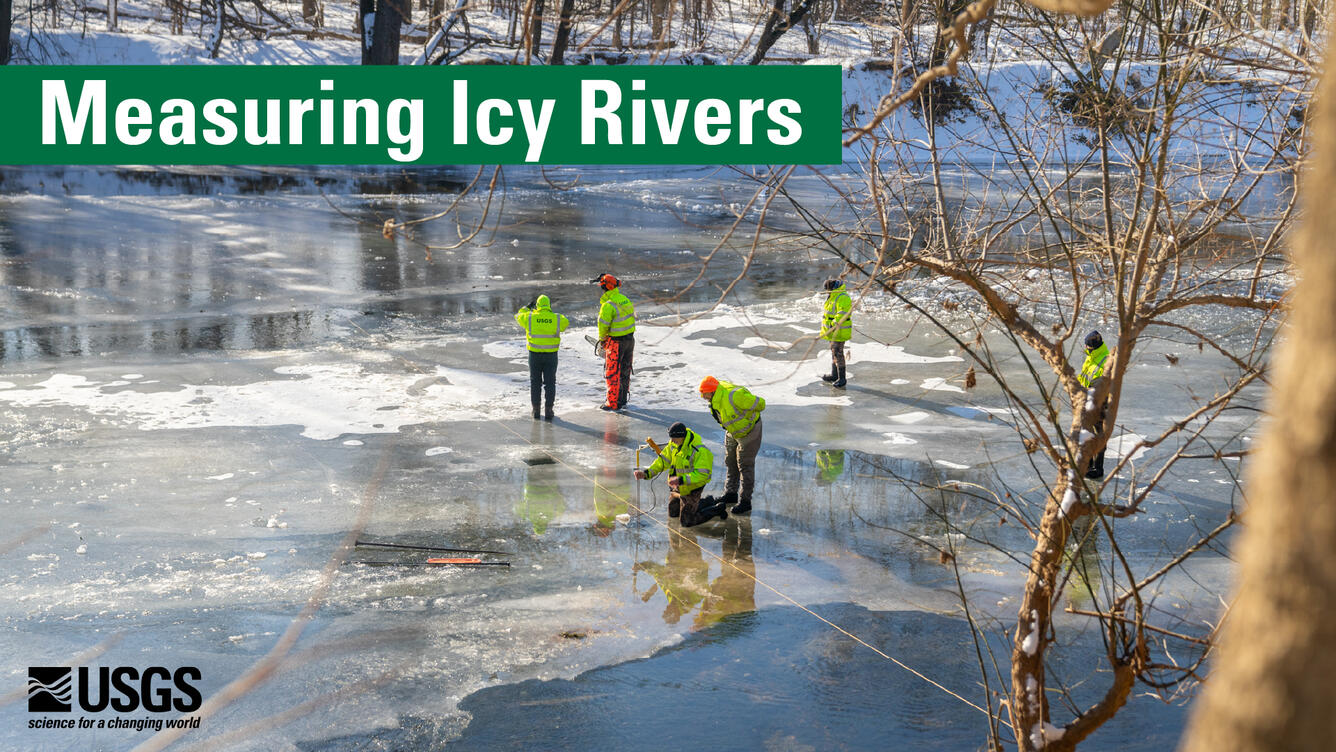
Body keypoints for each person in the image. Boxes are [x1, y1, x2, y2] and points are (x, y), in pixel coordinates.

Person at [634, 422, 727, 526]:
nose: (672, 440)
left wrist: (681, 480)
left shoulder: (700, 451)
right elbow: (662, 462)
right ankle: (706, 501)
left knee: (687, 522)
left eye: (674, 438)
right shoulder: (673, 444)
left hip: (692, 487)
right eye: (671, 438)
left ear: (682, 436)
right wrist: (646, 474)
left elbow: (703, 475)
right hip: (678, 485)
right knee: (673, 514)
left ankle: (717, 509)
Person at [698, 375, 765, 515]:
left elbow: (761, 404)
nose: (702, 397)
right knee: (730, 462)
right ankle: (730, 493)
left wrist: (746, 417)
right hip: (733, 431)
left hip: (750, 431)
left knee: (745, 465)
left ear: (711, 391)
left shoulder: (734, 396)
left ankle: (745, 502)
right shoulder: (714, 400)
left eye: (704, 393)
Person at [515, 294, 570, 420]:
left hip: (534, 356)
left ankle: (535, 410)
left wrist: (526, 308)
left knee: (535, 383)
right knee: (550, 383)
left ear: (537, 306)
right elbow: (565, 323)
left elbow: (518, 316)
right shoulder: (557, 318)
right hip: (551, 356)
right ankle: (549, 410)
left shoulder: (529, 318)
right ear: (549, 305)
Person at [593, 273, 635, 410]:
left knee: (612, 373)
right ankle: (622, 399)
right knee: (625, 371)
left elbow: (603, 325)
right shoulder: (625, 299)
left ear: (604, 288)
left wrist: (603, 340)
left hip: (616, 343)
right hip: (630, 340)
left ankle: (612, 403)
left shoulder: (608, 305)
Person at [1078, 329, 1111, 479]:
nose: (1085, 348)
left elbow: (1102, 384)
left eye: (1086, 346)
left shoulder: (1105, 360)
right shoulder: (1092, 357)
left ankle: (1097, 469)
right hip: (1086, 401)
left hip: (1099, 403)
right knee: (1088, 433)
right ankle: (1089, 465)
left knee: (1098, 435)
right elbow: (1084, 377)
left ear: (1092, 347)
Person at [819, 279, 852, 388]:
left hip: (839, 330)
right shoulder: (832, 296)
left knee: (838, 353)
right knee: (834, 352)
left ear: (832, 288)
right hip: (832, 331)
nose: (826, 292)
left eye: (827, 289)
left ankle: (842, 378)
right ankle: (834, 375)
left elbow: (842, 313)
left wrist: (833, 324)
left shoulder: (843, 297)